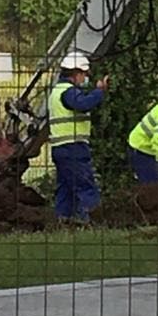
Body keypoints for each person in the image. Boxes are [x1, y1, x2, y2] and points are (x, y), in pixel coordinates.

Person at [48, 52, 109, 223]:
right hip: (72, 147)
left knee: (66, 188)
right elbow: (83, 104)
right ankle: (93, 220)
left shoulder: (57, 91)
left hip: (60, 147)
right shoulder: (68, 92)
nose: (86, 78)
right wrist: (99, 92)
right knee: (85, 185)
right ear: (76, 73)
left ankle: (63, 220)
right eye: (85, 74)